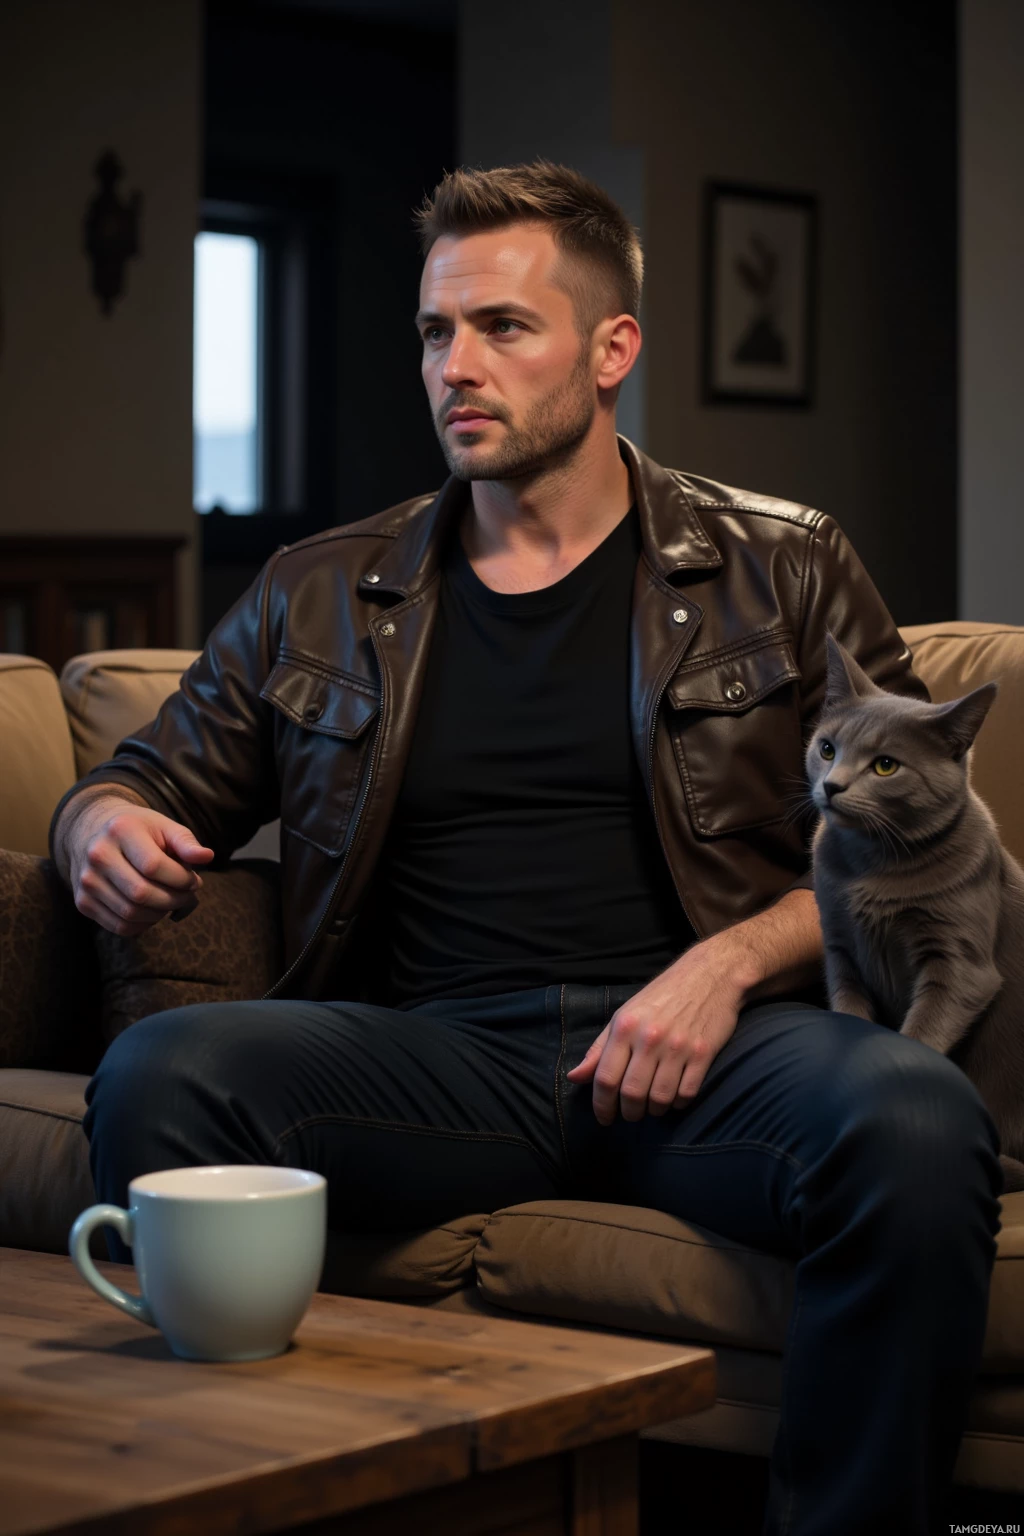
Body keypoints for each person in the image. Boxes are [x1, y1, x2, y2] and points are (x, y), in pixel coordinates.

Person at [52, 161, 1001, 1536]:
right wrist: (103, 825)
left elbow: (934, 850)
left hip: (714, 1058)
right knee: (165, 1075)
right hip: (438, 1055)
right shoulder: (322, 589)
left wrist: (729, 964)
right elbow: (142, 778)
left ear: (613, 350)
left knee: (916, 1123)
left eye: (504, 326)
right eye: (438, 332)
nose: (458, 366)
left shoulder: (783, 565)